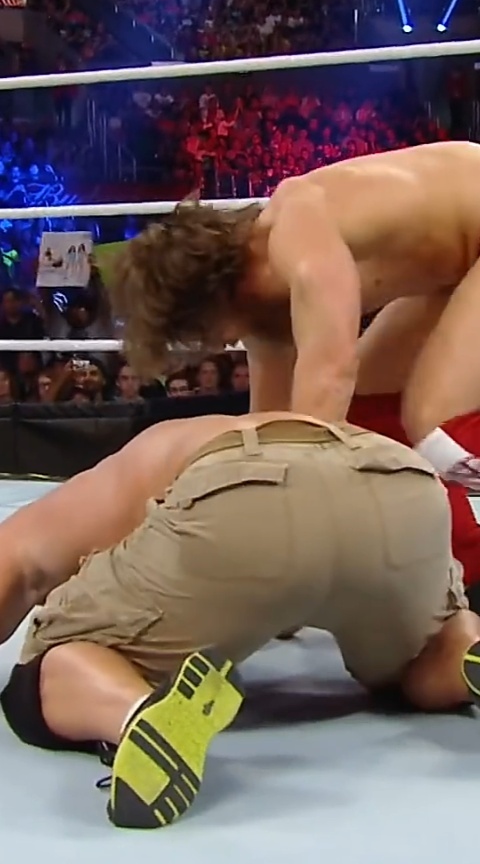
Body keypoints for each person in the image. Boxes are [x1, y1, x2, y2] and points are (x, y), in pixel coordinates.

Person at [2, 411, 480, 830]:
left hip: (241, 492)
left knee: (48, 667)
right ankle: (463, 653)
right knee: (427, 648)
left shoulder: (130, 467)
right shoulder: (199, 437)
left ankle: (135, 713)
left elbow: (18, 562)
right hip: (400, 481)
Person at [111, 141, 480, 497]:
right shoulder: (259, 315)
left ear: (208, 298)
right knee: (365, 409)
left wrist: (297, 503)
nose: (214, 346)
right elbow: (274, 432)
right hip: (457, 269)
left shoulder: (297, 231)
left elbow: (331, 373)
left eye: (197, 331)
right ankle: (437, 530)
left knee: (435, 421)